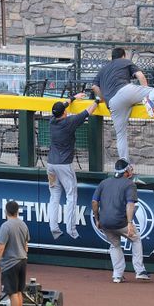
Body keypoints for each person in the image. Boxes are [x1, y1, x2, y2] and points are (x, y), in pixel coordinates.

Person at [91, 47, 154, 161]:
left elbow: (94, 87)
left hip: (112, 102)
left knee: (120, 135)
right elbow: (140, 76)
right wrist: (145, 90)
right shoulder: (125, 61)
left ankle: (125, 166)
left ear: (112, 57)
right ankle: (148, 99)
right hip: (125, 90)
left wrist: (103, 98)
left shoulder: (103, 69)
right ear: (123, 55)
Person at [47, 92, 98, 240]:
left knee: (54, 196)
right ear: (64, 113)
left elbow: (62, 106)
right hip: (64, 165)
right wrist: (97, 100)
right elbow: (88, 111)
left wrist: (73, 98)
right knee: (71, 195)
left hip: (51, 165)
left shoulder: (52, 121)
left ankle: (54, 228)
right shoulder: (69, 122)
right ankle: (71, 230)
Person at [91, 158, 151, 283]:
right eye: (129, 169)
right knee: (136, 239)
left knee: (115, 245)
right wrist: (129, 223)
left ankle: (117, 275)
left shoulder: (104, 182)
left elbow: (94, 202)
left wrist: (97, 219)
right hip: (120, 222)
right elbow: (130, 204)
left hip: (105, 223)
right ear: (125, 171)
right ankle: (140, 271)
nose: (131, 171)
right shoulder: (130, 184)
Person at [0, 201, 30, 306]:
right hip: (22, 261)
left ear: (6, 211)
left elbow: (1, 247)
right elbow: (26, 246)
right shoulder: (23, 225)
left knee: (12, 293)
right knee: (18, 292)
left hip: (10, 264)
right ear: (17, 211)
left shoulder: (5, 226)